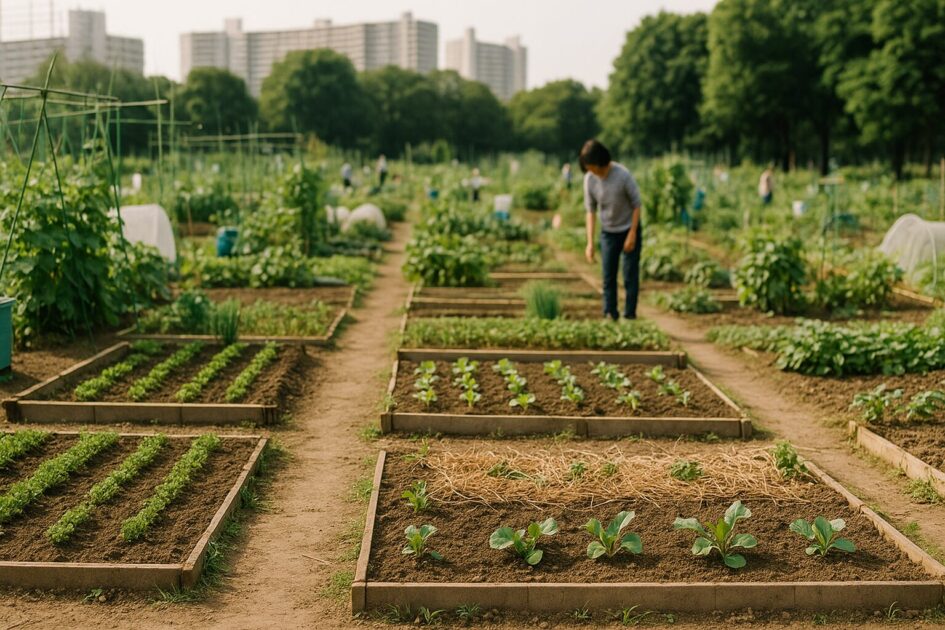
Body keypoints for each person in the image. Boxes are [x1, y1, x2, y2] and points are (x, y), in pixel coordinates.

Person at [581, 139, 643, 320]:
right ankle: (610, 313)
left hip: (628, 228)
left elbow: (637, 204)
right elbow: (590, 211)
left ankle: (630, 315)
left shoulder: (622, 175)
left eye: (592, 167)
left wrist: (632, 234)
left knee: (630, 275)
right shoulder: (589, 180)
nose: (591, 171)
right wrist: (590, 243)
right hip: (608, 232)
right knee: (608, 276)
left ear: (601, 161)